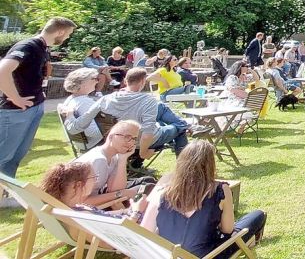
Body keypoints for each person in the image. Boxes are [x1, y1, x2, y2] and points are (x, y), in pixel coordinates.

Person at [141, 140, 266, 258]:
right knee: (257, 215)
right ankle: (252, 241)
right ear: (211, 165)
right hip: (209, 255)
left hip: (167, 255)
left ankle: (250, 242)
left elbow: (145, 232)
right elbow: (227, 230)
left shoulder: (163, 191)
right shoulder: (220, 190)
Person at [0, 17, 76, 195]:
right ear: (60, 32)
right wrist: (16, 98)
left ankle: (4, 193)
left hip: (32, 108)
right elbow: (3, 70)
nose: (66, 39)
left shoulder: (42, 48)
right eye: (68, 35)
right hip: (16, 111)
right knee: (4, 155)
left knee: (15, 157)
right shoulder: (29, 46)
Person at [65, 68, 189, 169]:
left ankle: (183, 125)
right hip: (140, 141)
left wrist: (69, 116)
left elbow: (78, 125)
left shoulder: (105, 99)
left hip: (122, 137)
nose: (97, 81)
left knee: (160, 108)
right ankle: (185, 169)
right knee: (180, 127)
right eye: (94, 79)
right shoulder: (148, 100)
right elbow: (147, 134)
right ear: (142, 82)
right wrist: (143, 153)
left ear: (125, 81)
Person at [72, 120, 149, 207]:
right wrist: (121, 193)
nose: (131, 142)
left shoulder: (114, 156)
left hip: (99, 197)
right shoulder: (98, 160)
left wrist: (122, 160)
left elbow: (115, 189)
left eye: (134, 139)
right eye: (127, 137)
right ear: (111, 136)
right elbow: (81, 202)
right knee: (149, 188)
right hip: (84, 209)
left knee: (148, 181)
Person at [61, 68, 104, 150]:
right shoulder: (85, 103)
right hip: (94, 144)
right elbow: (91, 132)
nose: (97, 81)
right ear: (82, 83)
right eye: (95, 79)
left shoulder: (71, 99)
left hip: (80, 143)